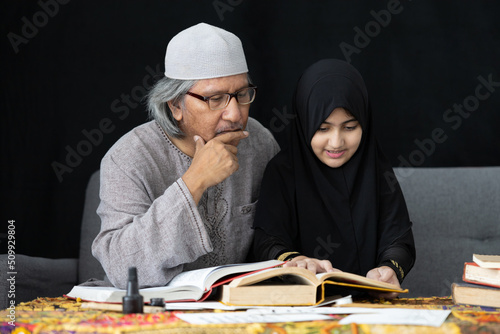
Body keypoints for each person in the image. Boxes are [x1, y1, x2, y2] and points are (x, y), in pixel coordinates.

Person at [92, 23, 279, 289]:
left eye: (242, 94)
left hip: (236, 307)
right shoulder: (128, 158)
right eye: (215, 99)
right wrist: (194, 181)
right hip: (152, 311)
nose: (236, 114)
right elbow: (123, 270)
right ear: (176, 105)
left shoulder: (259, 142)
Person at [252, 59, 415, 298]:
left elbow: (399, 240)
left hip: (368, 305)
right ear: (305, 123)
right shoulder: (283, 172)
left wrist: (390, 268)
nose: (336, 142)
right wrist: (295, 261)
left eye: (349, 127)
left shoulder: (376, 170)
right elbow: (265, 241)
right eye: (323, 128)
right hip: (298, 305)